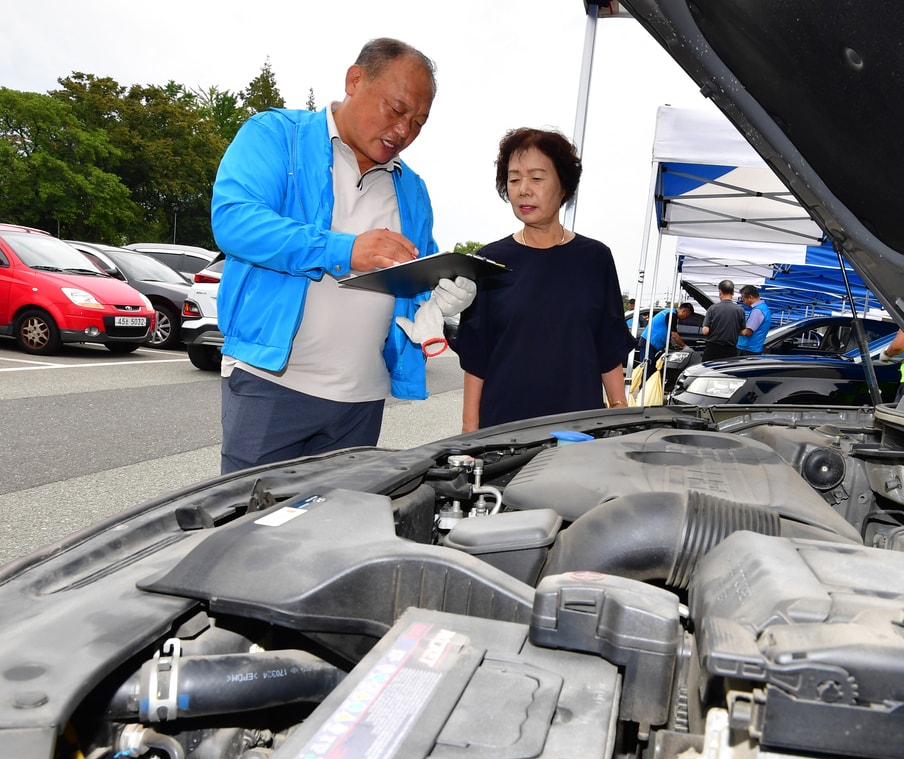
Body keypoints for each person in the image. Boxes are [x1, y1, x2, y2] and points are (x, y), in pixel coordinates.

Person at [211, 38, 477, 473]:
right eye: (396, 109)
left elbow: (415, 275)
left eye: (418, 122)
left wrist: (441, 299)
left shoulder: (413, 189)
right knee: (253, 531)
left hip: (362, 400)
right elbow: (235, 221)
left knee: (336, 533)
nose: (403, 131)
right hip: (272, 384)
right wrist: (346, 248)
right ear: (355, 80)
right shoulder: (277, 135)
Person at [456, 128, 634, 431]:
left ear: (563, 185)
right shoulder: (489, 260)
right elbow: (476, 355)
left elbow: (608, 346)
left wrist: (620, 416)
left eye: (537, 178)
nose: (524, 189)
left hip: (578, 430)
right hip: (504, 430)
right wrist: (469, 432)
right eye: (514, 179)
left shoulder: (595, 258)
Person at [699, 279, 744, 361]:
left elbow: (705, 331)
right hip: (730, 350)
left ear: (720, 292)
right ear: (733, 292)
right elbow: (742, 331)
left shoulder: (712, 308)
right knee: (726, 373)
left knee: (708, 372)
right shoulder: (740, 310)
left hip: (712, 349)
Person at [643, 302, 691, 368]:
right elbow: (674, 335)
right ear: (684, 311)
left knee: (651, 368)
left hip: (651, 343)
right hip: (649, 343)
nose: (685, 318)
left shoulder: (670, 312)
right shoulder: (671, 314)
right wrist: (685, 347)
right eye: (687, 316)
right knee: (647, 369)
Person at [736, 284, 770, 355]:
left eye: (744, 300)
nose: (744, 302)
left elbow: (747, 332)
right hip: (754, 348)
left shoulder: (757, 311)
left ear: (750, 297)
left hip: (747, 349)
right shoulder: (764, 309)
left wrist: (733, 332)